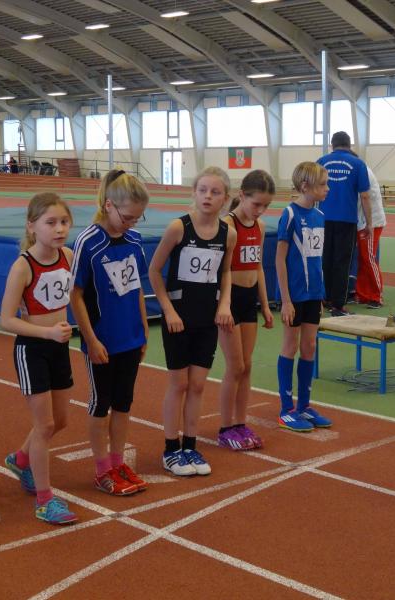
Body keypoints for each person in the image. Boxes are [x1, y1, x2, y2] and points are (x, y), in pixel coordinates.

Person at [148, 166, 236, 476]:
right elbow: (154, 271)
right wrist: (168, 310)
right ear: (195, 193)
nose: (208, 196)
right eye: (203, 190)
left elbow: (225, 272)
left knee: (198, 385)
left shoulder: (228, 233)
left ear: (225, 198)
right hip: (178, 318)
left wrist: (224, 304)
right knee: (180, 384)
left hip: (207, 318)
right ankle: (171, 449)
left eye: (215, 192)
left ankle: (190, 446)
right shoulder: (178, 228)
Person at [70, 170, 150, 496]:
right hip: (102, 341)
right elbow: (75, 295)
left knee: (124, 403)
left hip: (131, 337)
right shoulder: (88, 242)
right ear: (108, 206)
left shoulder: (134, 241)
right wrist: (90, 339)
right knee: (100, 404)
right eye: (127, 217)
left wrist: (143, 329)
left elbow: (137, 288)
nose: (131, 223)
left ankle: (118, 463)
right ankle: (102, 469)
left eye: (137, 218)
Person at [0, 192, 78, 525]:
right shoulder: (23, 266)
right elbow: (6, 319)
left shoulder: (68, 256)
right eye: (51, 223)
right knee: (44, 425)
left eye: (64, 222)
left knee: (60, 421)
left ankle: (21, 459)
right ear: (32, 226)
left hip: (58, 346)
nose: (59, 229)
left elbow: (69, 296)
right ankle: (45, 500)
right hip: (32, 349)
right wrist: (46, 333)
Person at [217, 170, 275, 451]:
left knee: (247, 365)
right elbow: (222, 270)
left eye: (266, 206)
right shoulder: (227, 226)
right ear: (242, 195)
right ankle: (226, 426)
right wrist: (223, 305)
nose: (260, 210)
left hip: (249, 299)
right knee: (235, 366)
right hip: (229, 300)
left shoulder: (259, 226)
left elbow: (259, 267)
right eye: (256, 204)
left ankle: (241, 422)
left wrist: (265, 304)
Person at [275, 162, 333, 432]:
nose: (327, 188)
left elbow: (316, 259)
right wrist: (286, 300)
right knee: (291, 346)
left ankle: (304, 406)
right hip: (294, 295)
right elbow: (279, 259)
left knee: (309, 347)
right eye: (323, 184)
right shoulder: (289, 214)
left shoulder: (320, 216)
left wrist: (320, 293)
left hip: (313, 294)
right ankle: (286, 409)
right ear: (305, 186)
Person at [317, 132, 370, 316]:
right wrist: (369, 223)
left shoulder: (321, 162)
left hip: (322, 219)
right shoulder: (358, 164)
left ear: (332, 144)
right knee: (342, 262)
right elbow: (365, 196)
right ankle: (338, 305)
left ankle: (324, 298)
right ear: (349, 145)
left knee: (324, 259)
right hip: (346, 219)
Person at [355, 166, 387, 309]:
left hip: (371, 222)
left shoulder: (362, 170)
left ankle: (376, 295)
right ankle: (363, 294)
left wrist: (369, 223)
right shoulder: (359, 169)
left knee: (368, 257)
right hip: (363, 221)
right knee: (362, 258)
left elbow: (365, 196)